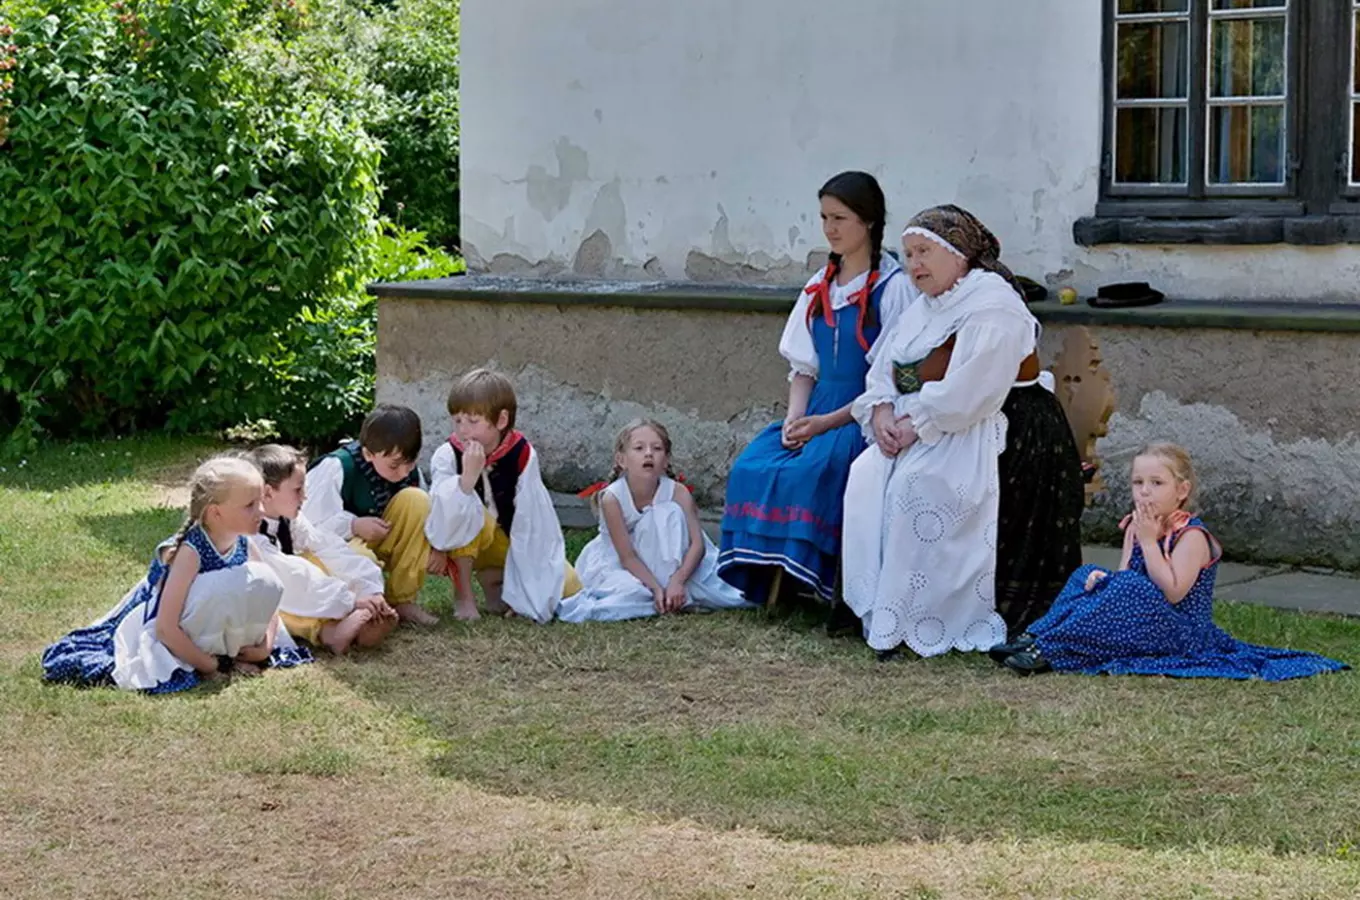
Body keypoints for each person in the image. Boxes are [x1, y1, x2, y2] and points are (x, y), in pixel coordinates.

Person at [843, 204, 1083, 659]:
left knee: (920, 487)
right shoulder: (925, 307)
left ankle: (938, 616)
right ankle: (887, 614)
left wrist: (914, 425)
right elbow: (887, 369)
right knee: (866, 475)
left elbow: (974, 390)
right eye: (909, 253)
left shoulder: (993, 304)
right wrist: (879, 413)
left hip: (1007, 427)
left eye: (924, 252)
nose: (914, 264)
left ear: (959, 255)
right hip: (933, 423)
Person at [719, 171, 915, 605]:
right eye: (824, 217)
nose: (830, 228)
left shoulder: (893, 288)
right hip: (817, 409)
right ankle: (777, 580)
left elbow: (891, 379)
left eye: (840, 218)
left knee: (812, 472)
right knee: (754, 465)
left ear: (868, 222)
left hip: (862, 413)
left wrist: (827, 423)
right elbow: (804, 367)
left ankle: (814, 581)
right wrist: (794, 417)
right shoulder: (818, 285)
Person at [993, 443, 1349, 679]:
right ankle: (1034, 638)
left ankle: (1046, 650)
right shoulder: (1136, 526)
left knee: (1130, 586)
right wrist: (1101, 580)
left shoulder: (1192, 536)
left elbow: (1174, 593)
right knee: (1087, 573)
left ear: (1181, 490)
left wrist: (1149, 543)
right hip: (1140, 618)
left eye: (1156, 483)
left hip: (1180, 630)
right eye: (1138, 483)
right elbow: (1122, 580)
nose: (1144, 491)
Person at [42, 456, 311, 692]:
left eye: (260, 502)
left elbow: (269, 600)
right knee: (220, 588)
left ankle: (228, 650)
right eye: (250, 505)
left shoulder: (245, 543)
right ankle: (208, 656)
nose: (261, 511)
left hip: (214, 626)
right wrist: (215, 666)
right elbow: (165, 627)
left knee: (261, 578)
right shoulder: (190, 551)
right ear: (216, 513)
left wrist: (263, 647)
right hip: (173, 629)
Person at [558, 420, 754, 623]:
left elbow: (698, 545)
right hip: (625, 564)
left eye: (657, 448)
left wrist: (678, 581)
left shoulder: (678, 492)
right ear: (621, 460)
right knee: (632, 594)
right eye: (639, 448)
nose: (648, 453)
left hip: (675, 560)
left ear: (666, 460)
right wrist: (655, 587)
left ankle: (674, 589)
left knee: (723, 590)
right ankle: (661, 593)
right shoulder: (612, 498)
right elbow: (627, 556)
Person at [425, 369, 580, 624]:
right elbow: (440, 518)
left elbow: (531, 522)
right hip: (459, 543)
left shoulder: (522, 454)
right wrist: (466, 483)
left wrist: (528, 597)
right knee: (472, 510)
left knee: (570, 585)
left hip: (507, 541)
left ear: (500, 420)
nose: (463, 431)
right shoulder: (447, 454)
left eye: (473, 421)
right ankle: (464, 595)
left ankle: (496, 578)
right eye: (457, 421)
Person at [249, 444, 399, 655]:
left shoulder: (289, 519)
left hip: (290, 581)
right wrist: (350, 601)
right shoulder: (249, 533)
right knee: (279, 593)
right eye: (297, 490)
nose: (304, 497)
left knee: (323, 559)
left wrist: (368, 587)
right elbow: (290, 576)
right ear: (267, 493)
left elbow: (326, 546)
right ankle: (328, 632)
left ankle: (361, 622)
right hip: (258, 593)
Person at [303, 404, 442, 625]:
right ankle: (362, 607)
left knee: (417, 499)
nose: (404, 472)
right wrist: (353, 525)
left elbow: (428, 517)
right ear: (369, 453)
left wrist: (437, 547)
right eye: (394, 465)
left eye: (410, 462)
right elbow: (307, 525)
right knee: (363, 560)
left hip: (383, 540)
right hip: (342, 549)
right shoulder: (337, 467)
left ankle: (403, 600)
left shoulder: (408, 472)